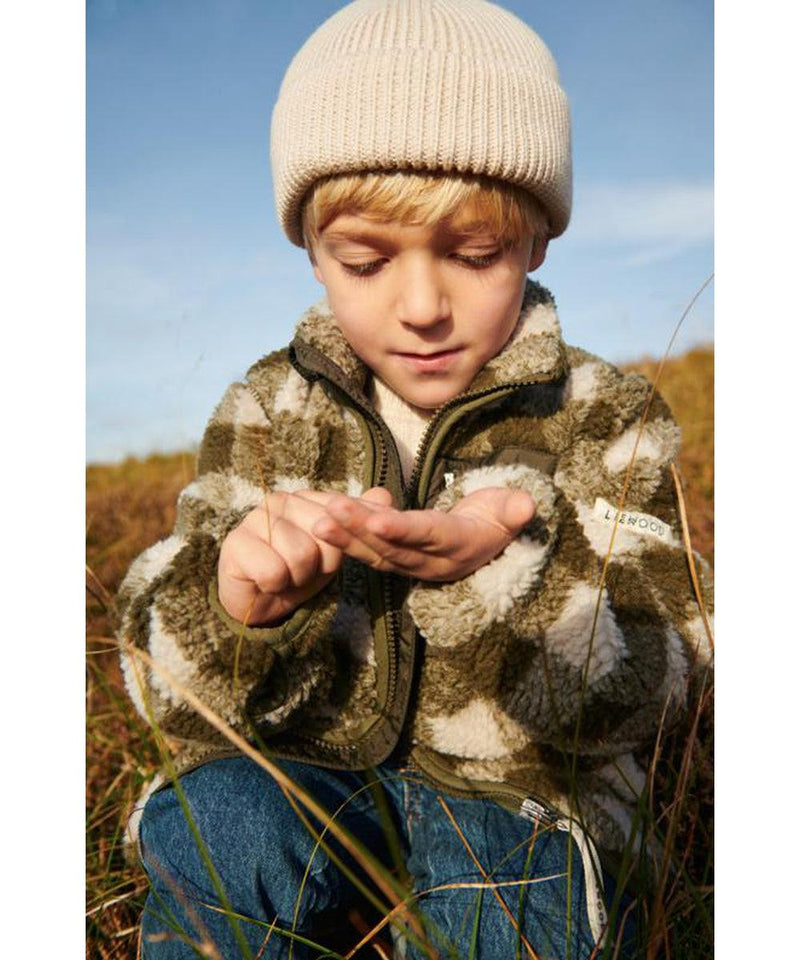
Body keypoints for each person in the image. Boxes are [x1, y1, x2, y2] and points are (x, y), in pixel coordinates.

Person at [117, 1, 712, 957]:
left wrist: (500, 570)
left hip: (524, 802)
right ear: (312, 251)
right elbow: (159, 678)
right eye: (366, 260)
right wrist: (234, 606)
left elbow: (669, 666)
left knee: (522, 900)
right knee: (219, 821)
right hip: (306, 776)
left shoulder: (608, 414)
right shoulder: (267, 409)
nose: (424, 306)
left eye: (476, 255)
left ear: (537, 241)